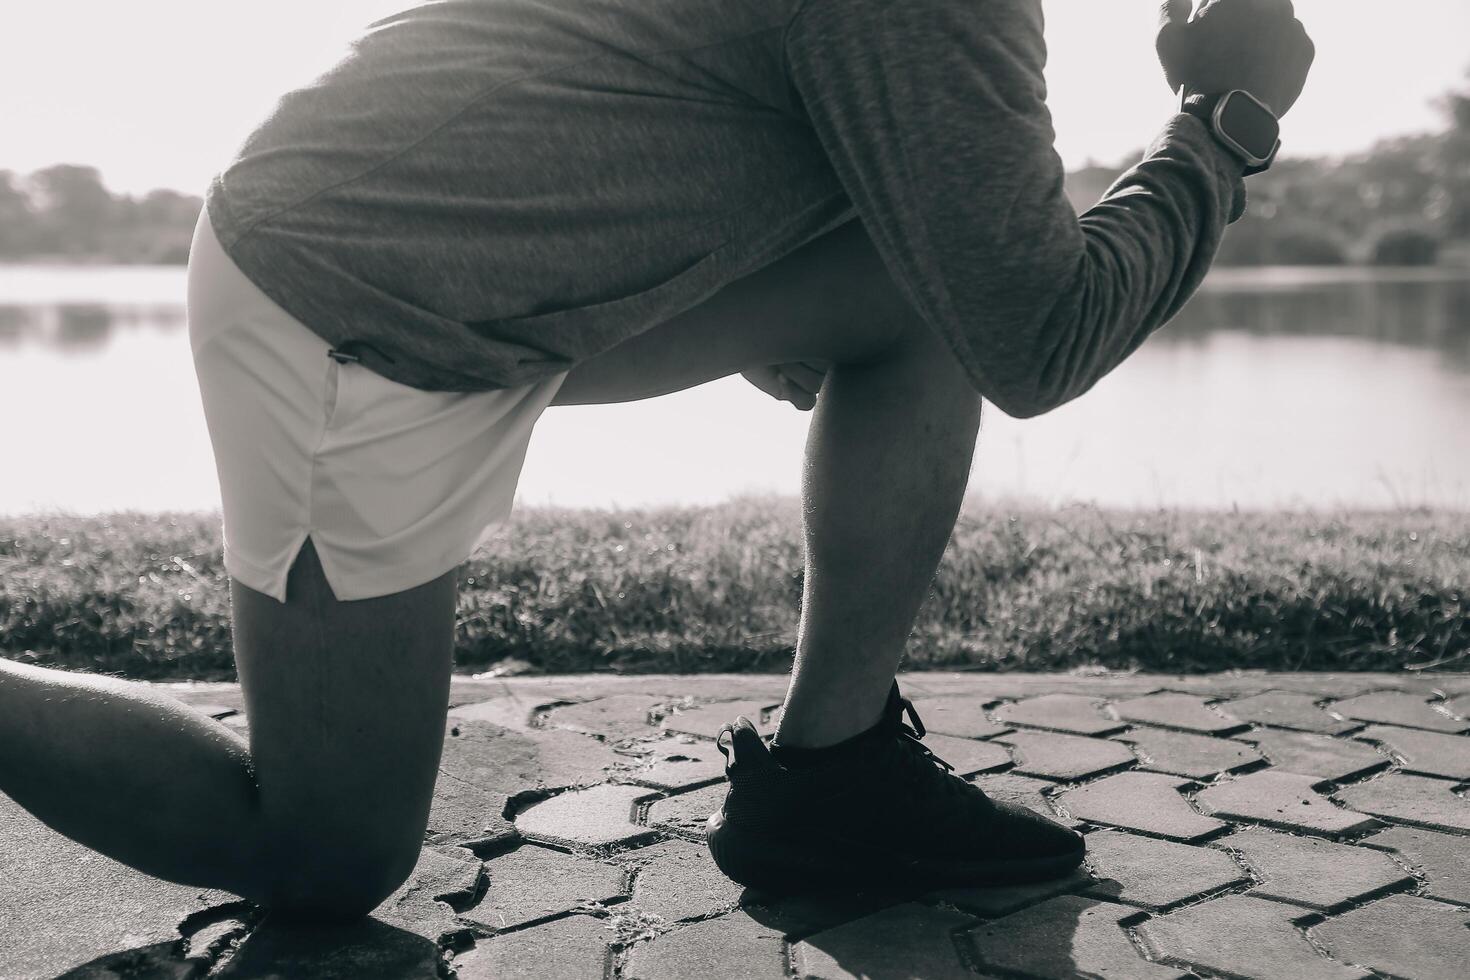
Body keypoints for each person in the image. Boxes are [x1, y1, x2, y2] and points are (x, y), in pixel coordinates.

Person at [0, 0, 1312, 919]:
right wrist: (1220, 127)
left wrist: (747, 276)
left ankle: (829, 779)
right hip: (351, 302)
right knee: (323, 856)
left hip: (473, 256)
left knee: (919, 304)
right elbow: (1041, 338)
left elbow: (686, 83)